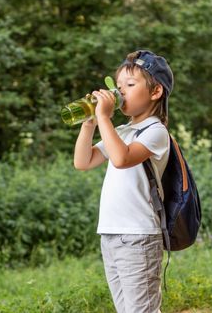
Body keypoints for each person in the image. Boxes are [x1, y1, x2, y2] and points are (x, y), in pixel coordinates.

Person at [73, 50, 174, 313]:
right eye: (118, 87)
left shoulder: (156, 132)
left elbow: (121, 158)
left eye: (130, 85)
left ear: (155, 92)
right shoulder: (122, 131)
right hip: (111, 234)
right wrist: (90, 124)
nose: (120, 92)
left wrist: (105, 118)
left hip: (138, 236)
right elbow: (83, 161)